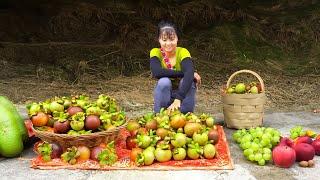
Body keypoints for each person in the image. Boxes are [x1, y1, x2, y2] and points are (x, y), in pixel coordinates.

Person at [149, 20, 201, 114]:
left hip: (183, 93)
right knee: (164, 81)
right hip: (164, 94)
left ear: (177, 38)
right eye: (164, 40)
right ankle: (160, 114)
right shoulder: (155, 52)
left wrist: (179, 98)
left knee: (188, 80)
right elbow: (157, 72)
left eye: (172, 39)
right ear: (159, 40)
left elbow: (188, 75)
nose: (168, 43)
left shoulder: (183, 52)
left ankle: (186, 114)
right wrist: (186, 73)